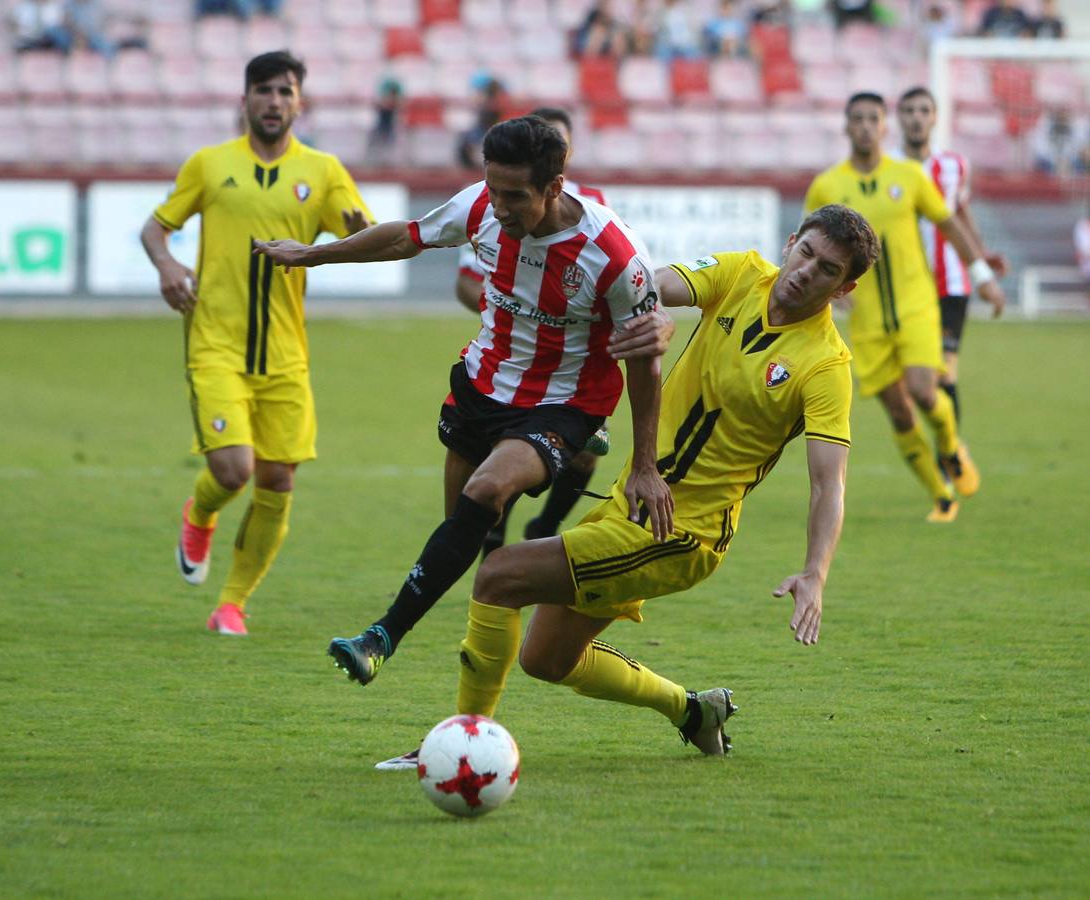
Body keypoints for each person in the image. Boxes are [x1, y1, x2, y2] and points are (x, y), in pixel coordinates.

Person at [376, 204, 879, 770]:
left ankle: (463, 746)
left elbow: (827, 483)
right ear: (791, 242)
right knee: (545, 657)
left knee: (498, 575)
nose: (807, 270)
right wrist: (652, 312)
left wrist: (816, 573)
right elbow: (651, 286)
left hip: (683, 532)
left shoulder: (826, 365)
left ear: (845, 287)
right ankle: (692, 710)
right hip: (632, 505)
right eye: (806, 252)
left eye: (828, 269)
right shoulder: (740, 274)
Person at [253, 116, 676, 685]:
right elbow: (407, 236)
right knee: (469, 530)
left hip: (564, 402)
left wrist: (646, 465)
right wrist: (314, 255)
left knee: (486, 490)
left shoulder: (613, 255)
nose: (498, 207)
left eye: (515, 196)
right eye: (492, 189)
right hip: (482, 386)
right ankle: (483, 667)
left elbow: (647, 361)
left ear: (555, 188)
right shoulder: (481, 205)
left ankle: (381, 636)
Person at [140, 51, 374, 636]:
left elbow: (362, 235)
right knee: (233, 469)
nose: (274, 101)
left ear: (300, 102)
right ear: (244, 100)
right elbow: (155, 226)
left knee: (278, 481)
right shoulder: (209, 164)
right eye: (264, 90)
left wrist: (353, 232)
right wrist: (167, 264)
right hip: (215, 342)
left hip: (286, 355)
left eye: (285, 91)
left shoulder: (322, 172)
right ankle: (201, 512)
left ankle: (233, 604)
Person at [803, 92, 1006, 522]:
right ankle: (941, 495)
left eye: (872, 119)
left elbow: (949, 222)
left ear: (883, 126)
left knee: (922, 390)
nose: (864, 126)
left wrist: (983, 277)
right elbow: (808, 245)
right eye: (856, 118)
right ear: (845, 125)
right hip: (867, 316)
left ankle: (950, 446)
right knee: (898, 411)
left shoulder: (909, 176)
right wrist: (822, 292)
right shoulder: (827, 185)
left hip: (916, 305)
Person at [452, 108, 614, 557]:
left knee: (585, 452)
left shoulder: (594, 208)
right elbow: (469, 281)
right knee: (496, 464)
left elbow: (611, 283)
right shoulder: (500, 204)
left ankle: (545, 527)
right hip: (515, 357)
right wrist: (514, 315)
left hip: (574, 364)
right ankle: (494, 542)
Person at [895, 86, 1008, 428]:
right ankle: (938, 449)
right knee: (914, 380)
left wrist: (981, 256)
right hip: (905, 284)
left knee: (945, 369)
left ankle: (950, 455)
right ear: (899, 118)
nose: (917, 118)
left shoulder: (954, 165)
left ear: (934, 118)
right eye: (910, 111)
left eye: (924, 111)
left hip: (950, 282)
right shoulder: (886, 167)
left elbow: (960, 211)